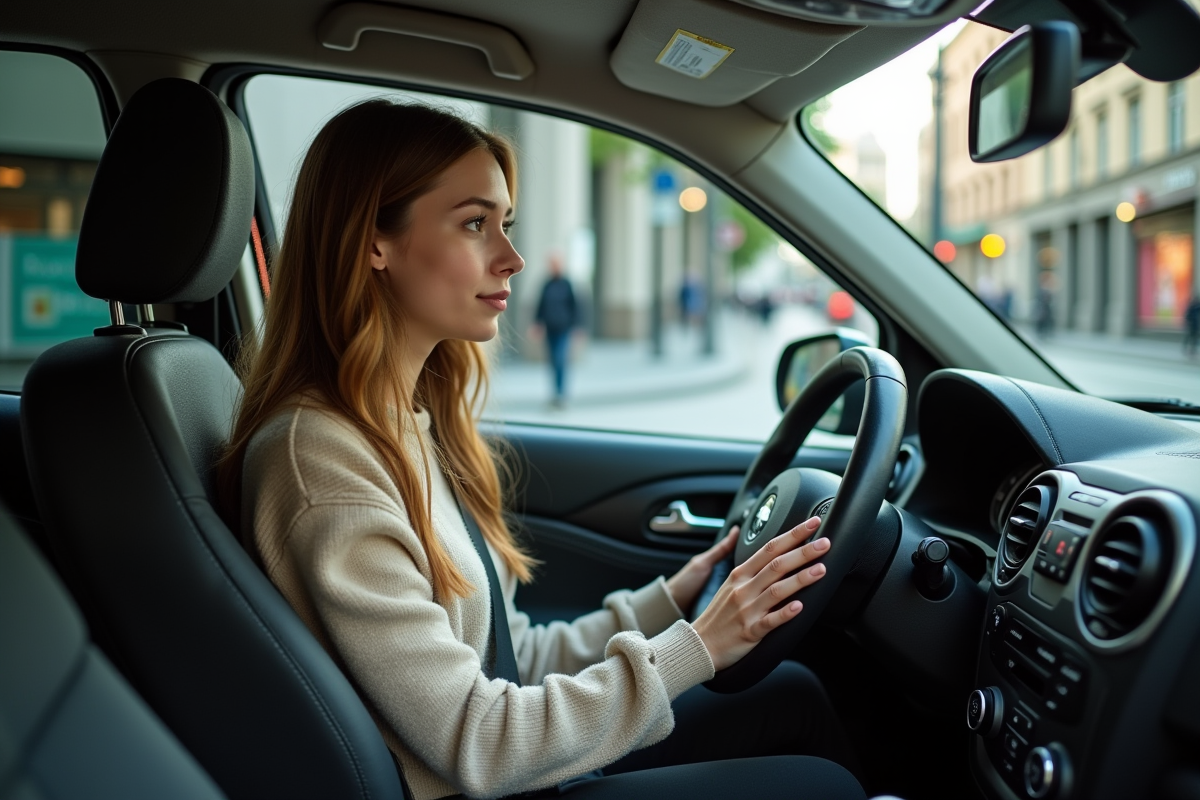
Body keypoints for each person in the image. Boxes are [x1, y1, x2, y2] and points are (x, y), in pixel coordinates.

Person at [218, 100, 861, 800]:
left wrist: (670, 606)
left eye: (506, 223)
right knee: (816, 785)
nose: (512, 257)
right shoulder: (323, 464)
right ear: (374, 240)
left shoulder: (403, 423)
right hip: (485, 780)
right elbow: (479, 740)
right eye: (474, 224)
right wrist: (700, 645)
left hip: (504, 765)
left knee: (791, 693)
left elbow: (506, 655)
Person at [533, 253, 578, 407]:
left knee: (560, 360)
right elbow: (540, 306)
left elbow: (575, 306)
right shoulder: (546, 284)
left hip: (563, 329)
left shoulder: (567, 284)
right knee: (552, 361)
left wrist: (577, 327)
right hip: (550, 328)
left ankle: (561, 394)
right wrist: (537, 324)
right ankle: (554, 393)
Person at [1184, 294, 1200, 358]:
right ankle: (1186, 348)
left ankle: (1193, 350)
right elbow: (1187, 316)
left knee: (1194, 339)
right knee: (1189, 338)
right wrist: (1189, 322)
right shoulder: (1191, 307)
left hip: (1196, 325)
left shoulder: (1197, 307)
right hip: (1191, 325)